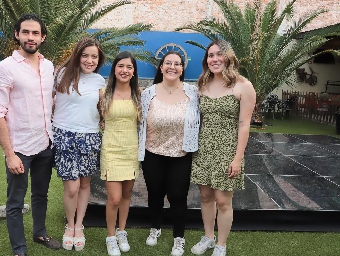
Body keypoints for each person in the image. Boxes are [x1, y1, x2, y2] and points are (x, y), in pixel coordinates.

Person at [0, 14, 61, 256]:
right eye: (25, 32)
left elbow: (51, 101)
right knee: (16, 202)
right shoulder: (4, 68)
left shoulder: (49, 66)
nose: (30, 37)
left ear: (43, 37)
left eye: (35, 33)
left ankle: (39, 233)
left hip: (45, 144)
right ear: (17, 35)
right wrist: (9, 154)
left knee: (41, 194)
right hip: (19, 147)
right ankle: (19, 249)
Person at [190, 40, 256, 256]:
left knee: (223, 200)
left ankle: (221, 244)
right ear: (206, 60)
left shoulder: (243, 86)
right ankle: (208, 237)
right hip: (203, 149)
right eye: (210, 55)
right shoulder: (202, 83)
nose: (215, 59)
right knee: (206, 197)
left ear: (228, 57)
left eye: (219, 54)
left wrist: (237, 159)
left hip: (228, 150)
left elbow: (244, 124)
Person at [138, 51, 200, 256]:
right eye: (168, 63)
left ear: (182, 69)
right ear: (161, 67)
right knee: (155, 193)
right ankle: (155, 228)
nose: (172, 67)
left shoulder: (194, 94)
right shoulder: (148, 93)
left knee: (178, 196)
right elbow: (139, 122)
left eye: (177, 64)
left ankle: (178, 238)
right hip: (152, 152)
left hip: (181, 154)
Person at [52, 37, 105, 251]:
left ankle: (78, 226)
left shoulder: (100, 81)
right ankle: (69, 224)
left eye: (94, 56)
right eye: (85, 55)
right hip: (64, 135)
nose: (89, 60)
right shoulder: (60, 75)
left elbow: (103, 109)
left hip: (89, 136)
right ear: (77, 55)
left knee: (84, 184)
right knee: (72, 188)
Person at [99, 51, 141, 256]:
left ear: (134, 72)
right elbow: (95, 118)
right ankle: (110, 237)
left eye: (129, 67)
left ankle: (121, 231)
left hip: (131, 150)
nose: (125, 70)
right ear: (114, 69)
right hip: (111, 150)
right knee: (114, 198)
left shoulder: (139, 94)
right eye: (121, 66)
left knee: (126, 195)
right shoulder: (103, 93)